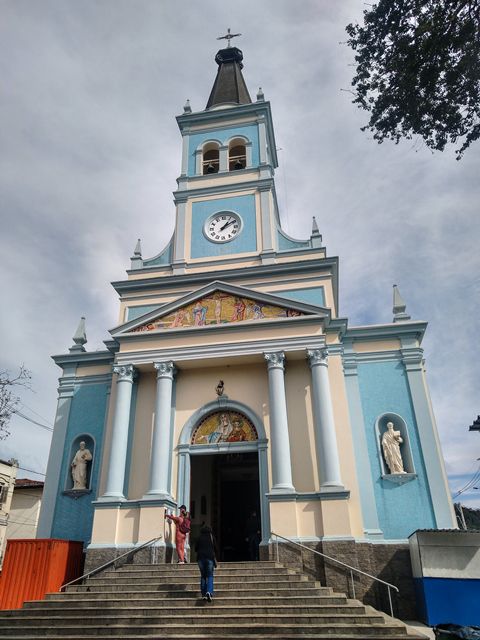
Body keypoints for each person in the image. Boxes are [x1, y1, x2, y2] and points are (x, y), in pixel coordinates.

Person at [195, 525, 217, 602]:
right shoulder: (211, 537)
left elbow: (196, 548)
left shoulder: (199, 537)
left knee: (203, 576)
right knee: (210, 575)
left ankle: (203, 594)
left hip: (200, 558)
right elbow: (215, 548)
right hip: (209, 558)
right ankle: (209, 591)